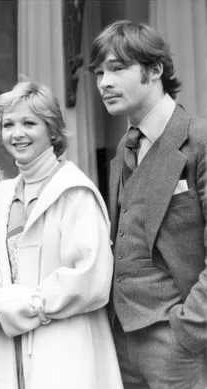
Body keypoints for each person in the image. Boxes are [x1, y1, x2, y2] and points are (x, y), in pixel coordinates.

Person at [0, 81, 123, 389]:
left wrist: (17, 306)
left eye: (29, 123)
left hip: (65, 351)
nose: (16, 133)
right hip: (7, 351)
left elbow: (91, 279)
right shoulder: (3, 195)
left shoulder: (75, 193)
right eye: (8, 124)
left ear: (53, 130)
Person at [89, 20, 207, 388]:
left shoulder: (199, 140)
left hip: (179, 343)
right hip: (120, 342)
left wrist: (190, 329)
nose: (104, 83)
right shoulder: (121, 154)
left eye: (117, 68)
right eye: (99, 73)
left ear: (155, 70)